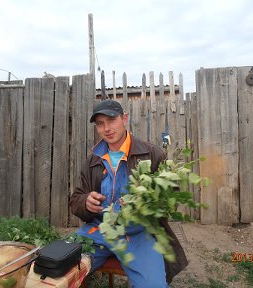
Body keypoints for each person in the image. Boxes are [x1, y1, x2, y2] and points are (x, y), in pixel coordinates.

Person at [70, 99, 188, 287]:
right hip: (98, 230)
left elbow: (170, 201)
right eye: (100, 124)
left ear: (124, 119)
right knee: (53, 265)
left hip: (140, 234)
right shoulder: (92, 160)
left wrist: (145, 203)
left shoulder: (153, 154)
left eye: (111, 120)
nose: (106, 128)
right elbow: (76, 198)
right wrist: (85, 202)